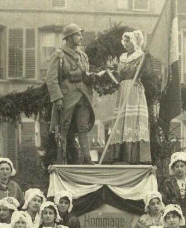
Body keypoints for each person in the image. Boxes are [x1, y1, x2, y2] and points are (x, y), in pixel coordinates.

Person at [45, 23, 95, 165]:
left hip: (83, 95)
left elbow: (86, 74)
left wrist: (92, 77)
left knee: (83, 128)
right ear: (69, 37)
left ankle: (87, 158)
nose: (81, 37)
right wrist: (58, 98)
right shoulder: (59, 55)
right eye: (77, 34)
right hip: (67, 97)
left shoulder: (83, 55)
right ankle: (62, 159)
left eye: (80, 34)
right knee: (63, 129)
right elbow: (51, 78)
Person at [105, 29, 156, 165]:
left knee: (133, 120)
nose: (126, 43)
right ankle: (119, 155)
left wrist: (146, 62)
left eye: (128, 41)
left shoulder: (141, 56)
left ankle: (133, 156)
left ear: (134, 41)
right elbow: (118, 76)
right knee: (121, 120)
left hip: (134, 90)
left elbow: (149, 74)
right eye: (125, 41)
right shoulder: (122, 57)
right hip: (122, 90)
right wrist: (111, 75)